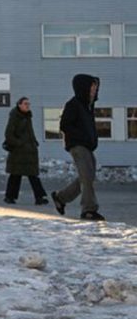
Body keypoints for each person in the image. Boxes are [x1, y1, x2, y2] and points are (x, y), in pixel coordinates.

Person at [51, 74, 105, 221]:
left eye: (95, 87)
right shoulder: (74, 104)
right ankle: (88, 210)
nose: (94, 90)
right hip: (77, 146)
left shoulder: (88, 105)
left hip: (87, 146)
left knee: (87, 177)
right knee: (87, 177)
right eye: (92, 87)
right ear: (84, 88)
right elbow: (64, 125)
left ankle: (61, 197)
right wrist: (81, 137)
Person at [2, 97, 49, 205]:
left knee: (30, 175)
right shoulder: (15, 117)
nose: (28, 105)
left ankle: (38, 197)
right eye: (25, 104)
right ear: (19, 105)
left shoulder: (27, 116)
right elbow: (9, 134)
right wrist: (20, 143)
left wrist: (34, 142)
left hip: (29, 151)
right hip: (19, 153)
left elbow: (29, 133)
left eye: (29, 103)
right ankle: (10, 196)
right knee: (16, 175)